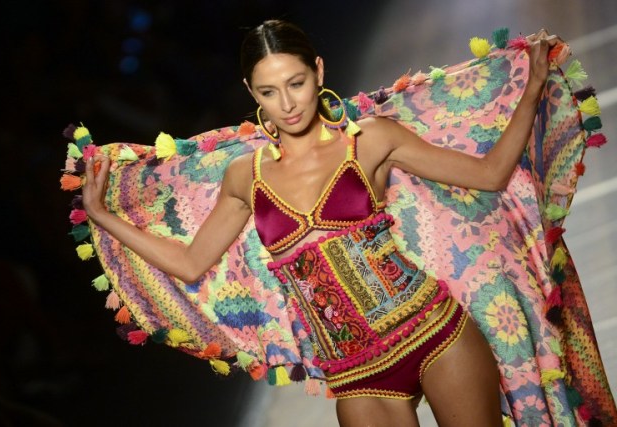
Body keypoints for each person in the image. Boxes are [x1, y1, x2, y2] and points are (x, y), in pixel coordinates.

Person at [82, 20, 565, 426]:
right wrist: (102, 216)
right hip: (356, 373)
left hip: (433, 332)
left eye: (295, 83)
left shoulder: (369, 140)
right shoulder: (244, 177)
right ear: (252, 93)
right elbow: (190, 264)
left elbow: (488, 174)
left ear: (318, 72)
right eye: (269, 92)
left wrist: (532, 91)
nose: (287, 104)